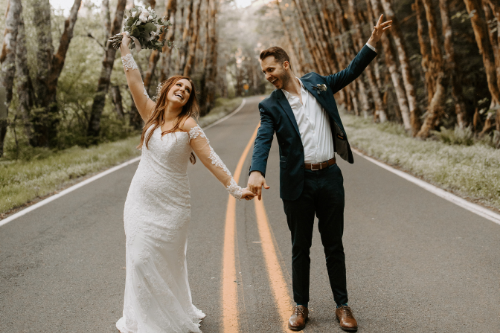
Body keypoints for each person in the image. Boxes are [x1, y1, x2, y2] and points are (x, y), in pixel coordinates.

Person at [247, 15, 392, 332]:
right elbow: (262, 140)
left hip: (330, 178)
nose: (267, 76)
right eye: (264, 72)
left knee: (334, 245)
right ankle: (301, 307)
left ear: (285, 64)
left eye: (270, 69)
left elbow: (350, 72)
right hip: (297, 184)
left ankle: (342, 306)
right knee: (300, 248)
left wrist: (372, 42)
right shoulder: (270, 105)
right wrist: (256, 170)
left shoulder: (317, 83)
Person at [115, 33, 255, 333]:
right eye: (178, 84)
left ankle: (170, 315)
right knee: (139, 259)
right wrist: (126, 47)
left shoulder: (188, 125)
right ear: (167, 89)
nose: (182, 89)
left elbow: (211, 159)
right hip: (140, 202)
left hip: (173, 207)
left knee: (166, 262)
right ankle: (145, 318)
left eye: (187, 89)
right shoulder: (150, 115)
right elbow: (134, 80)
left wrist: (235, 188)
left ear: (188, 99)